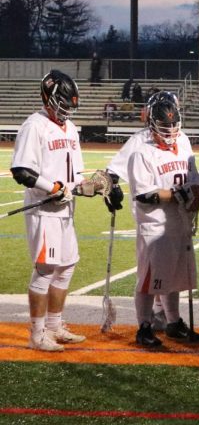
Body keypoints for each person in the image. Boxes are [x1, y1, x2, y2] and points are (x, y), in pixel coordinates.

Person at [10, 71, 116, 351]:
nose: (66, 111)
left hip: (66, 209)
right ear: (48, 98)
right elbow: (21, 171)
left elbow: (77, 175)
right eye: (62, 104)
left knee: (67, 265)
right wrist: (51, 187)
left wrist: (101, 185)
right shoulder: (35, 126)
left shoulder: (69, 128)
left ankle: (55, 325)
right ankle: (37, 333)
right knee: (45, 269)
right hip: (45, 211)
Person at [127, 92, 199, 347]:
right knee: (150, 279)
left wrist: (196, 193)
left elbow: (193, 178)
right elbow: (144, 195)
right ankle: (144, 326)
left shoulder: (183, 142)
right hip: (154, 224)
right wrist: (175, 194)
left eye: (173, 125)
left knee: (176, 277)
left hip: (180, 222)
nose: (170, 131)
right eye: (164, 126)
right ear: (152, 125)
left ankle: (173, 322)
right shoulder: (141, 152)